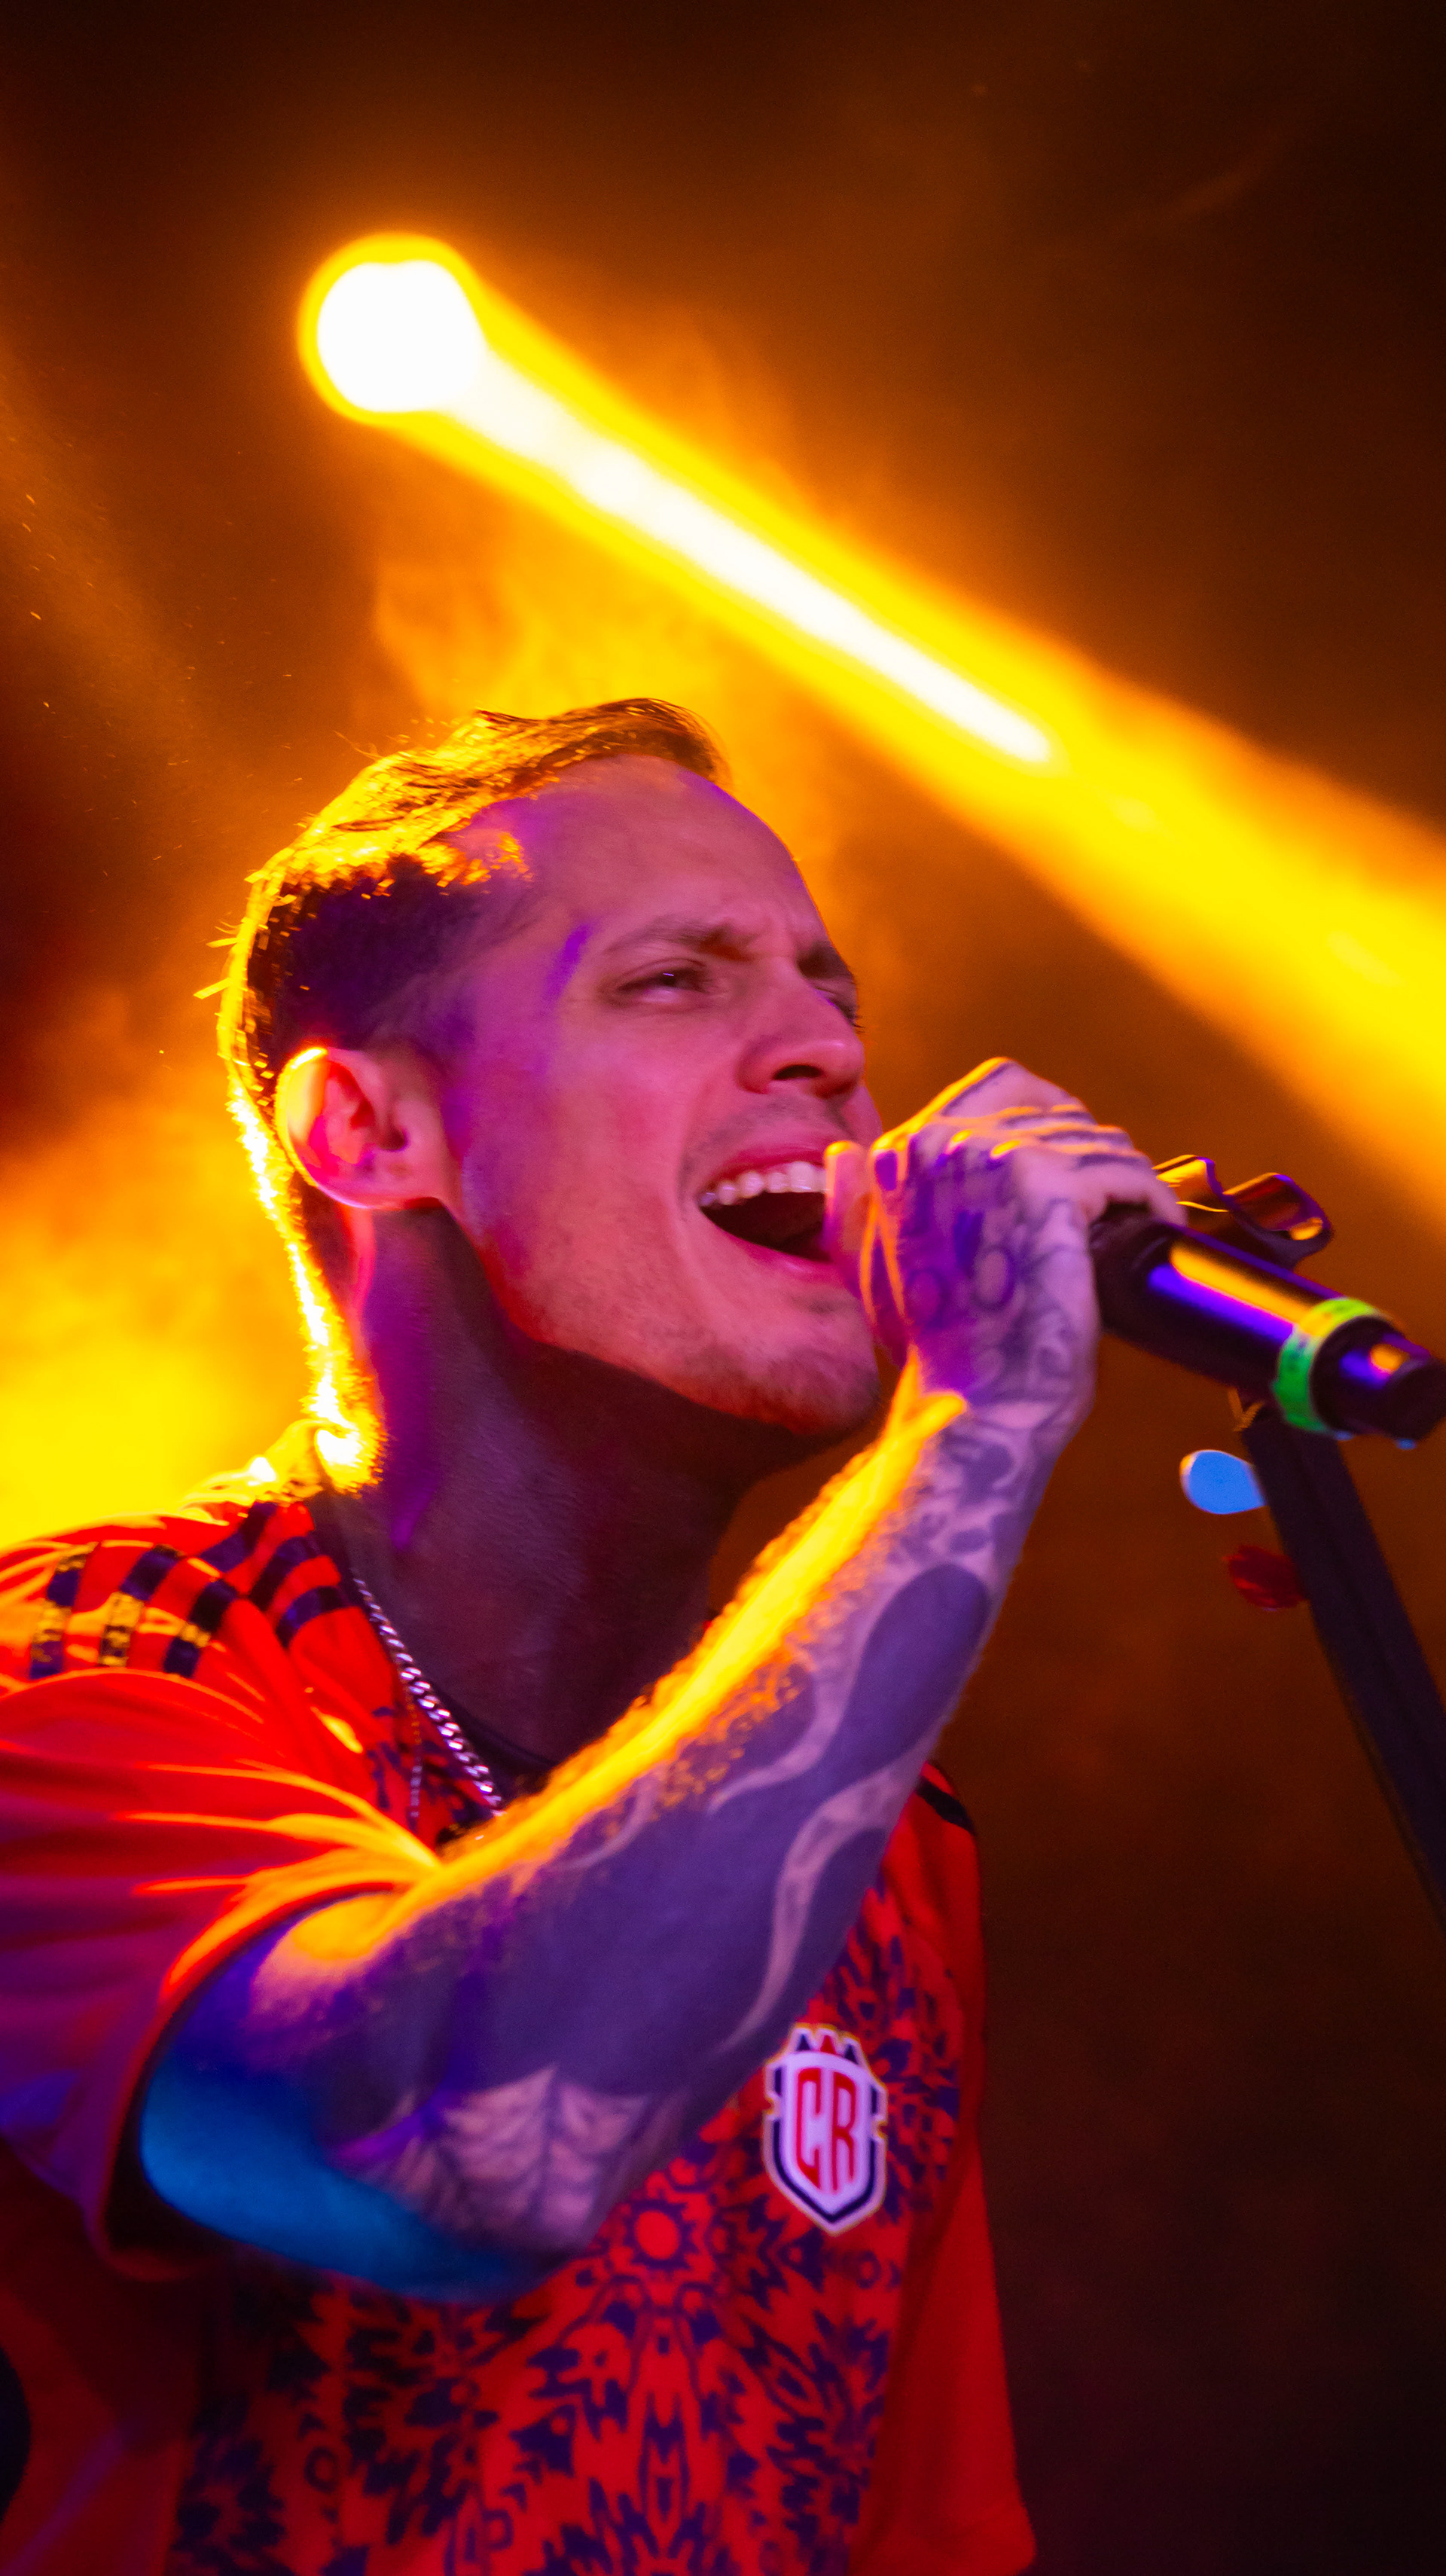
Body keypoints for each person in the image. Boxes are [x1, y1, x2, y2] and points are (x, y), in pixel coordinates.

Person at [0, 700, 1179, 2575]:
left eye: (828, 989)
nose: (830, 1051)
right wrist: (978, 1421)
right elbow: (455, 2148)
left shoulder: (884, 1843)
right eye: (675, 980)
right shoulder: (92, 1674)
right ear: (370, 1128)